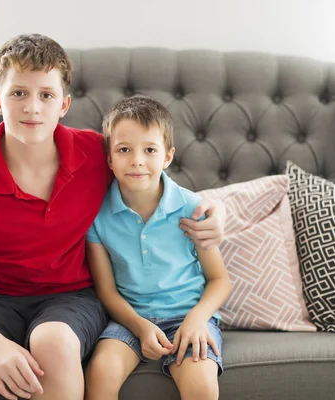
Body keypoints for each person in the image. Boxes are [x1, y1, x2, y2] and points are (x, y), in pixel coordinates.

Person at [0, 33, 226, 400]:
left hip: (68, 297)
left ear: (64, 104)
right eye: (18, 93)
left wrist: (217, 209)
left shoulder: (95, 153)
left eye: (46, 95)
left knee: (52, 343)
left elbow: (148, 174)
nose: (32, 107)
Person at [84, 96, 232, 400]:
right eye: (124, 150)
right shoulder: (97, 216)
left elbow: (220, 280)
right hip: (130, 319)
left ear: (168, 156)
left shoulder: (191, 208)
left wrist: (196, 319)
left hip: (188, 316)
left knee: (202, 385)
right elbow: (107, 292)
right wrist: (139, 328)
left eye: (149, 150)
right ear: (109, 159)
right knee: (101, 372)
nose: (137, 160)